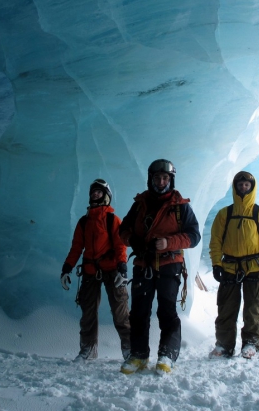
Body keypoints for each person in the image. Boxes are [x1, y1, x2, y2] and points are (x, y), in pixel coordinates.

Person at [118, 159, 201, 375]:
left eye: (165, 178)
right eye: (158, 178)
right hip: (144, 264)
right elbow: (123, 230)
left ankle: (167, 354)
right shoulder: (140, 204)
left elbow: (194, 236)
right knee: (139, 313)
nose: (161, 181)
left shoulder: (180, 206)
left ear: (171, 180)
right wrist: (132, 240)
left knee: (167, 311)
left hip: (169, 265)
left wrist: (168, 243)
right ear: (151, 179)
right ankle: (139, 355)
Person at [60, 179, 131, 362]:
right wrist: (67, 268)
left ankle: (129, 349)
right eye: (93, 192)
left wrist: (122, 267)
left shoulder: (112, 220)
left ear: (106, 196)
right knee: (88, 313)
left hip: (111, 269)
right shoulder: (84, 222)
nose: (95, 195)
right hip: (90, 271)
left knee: (120, 311)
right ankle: (88, 349)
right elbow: (76, 248)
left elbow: (120, 246)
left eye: (99, 192)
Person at [209, 171, 259, 359]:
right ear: (235, 187)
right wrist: (216, 264)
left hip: (254, 267)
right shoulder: (225, 214)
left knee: (252, 309)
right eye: (241, 185)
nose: (244, 188)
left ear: (252, 187)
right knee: (226, 309)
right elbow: (215, 241)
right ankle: (224, 345)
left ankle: (251, 343)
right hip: (229, 266)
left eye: (247, 185)